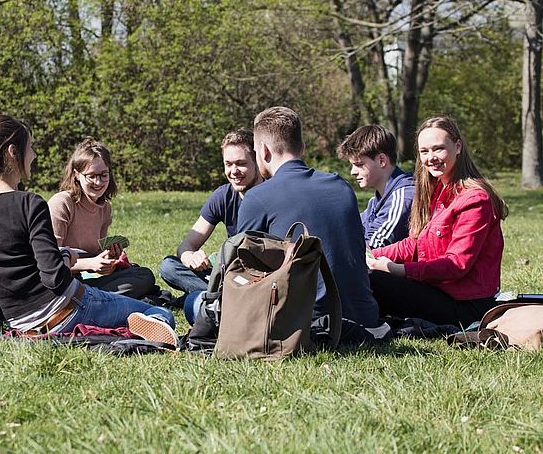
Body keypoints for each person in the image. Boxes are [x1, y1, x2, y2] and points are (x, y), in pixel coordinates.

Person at [0, 115, 177, 347]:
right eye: (31, 147)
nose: (34, 155)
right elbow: (54, 278)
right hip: (67, 308)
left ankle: (111, 328)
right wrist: (67, 256)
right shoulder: (29, 203)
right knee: (161, 314)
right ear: (12, 152)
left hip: (19, 324)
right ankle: (123, 328)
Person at [233, 106, 380, 330]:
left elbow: (243, 274)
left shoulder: (257, 198)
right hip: (362, 317)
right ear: (302, 147)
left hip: (303, 324)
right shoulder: (341, 186)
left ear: (263, 151)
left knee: (195, 304)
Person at [367, 116, 508, 327]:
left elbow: (456, 265)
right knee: (364, 275)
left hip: (466, 306)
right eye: (424, 151)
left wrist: (397, 269)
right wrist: (370, 256)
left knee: (373, 282)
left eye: (438, 149)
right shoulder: (437, 191)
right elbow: (414, 244)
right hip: (437, 291)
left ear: (458, 146)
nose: (431, 157)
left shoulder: (475, 199)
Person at [47, 138, 157, 299]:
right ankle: (98, 301)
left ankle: (98, 300)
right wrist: (90, 264)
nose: (98, 182)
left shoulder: (104, 208)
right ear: (77, 175)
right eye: (91, 176)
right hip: (60, 285)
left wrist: (109, 260)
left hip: (82, 283)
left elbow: (95, 253)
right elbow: (49, 262)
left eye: (103, 175)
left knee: (144, 275)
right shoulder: (62, 203)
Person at [159, 129, 263, 295]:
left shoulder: (272, 194)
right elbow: (186, 245)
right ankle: (223, 295)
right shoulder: (223, 196)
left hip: (262, 277)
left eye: (241, 163)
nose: (234, 171)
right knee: (168, 266)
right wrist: (191, 258)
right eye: (228, 164)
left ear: (258, 161)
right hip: (229, 274)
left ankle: (215, 296)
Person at [337, 125, 415, 248]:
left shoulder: (403, 196)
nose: (353, 172)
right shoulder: (376, 201)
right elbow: (352, 227)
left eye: (359, 164)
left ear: (381, 160)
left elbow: (372, 247)